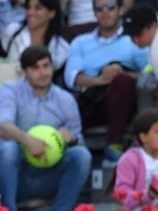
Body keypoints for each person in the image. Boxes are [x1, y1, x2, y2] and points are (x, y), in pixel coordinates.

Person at [0, 45, 91, 211]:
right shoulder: (10, 91)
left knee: (82, 156)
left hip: (50, 174)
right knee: (7, 149)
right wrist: (27, 140)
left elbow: (79, 141)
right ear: (24, 72)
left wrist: (72, 139)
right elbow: (2, 127)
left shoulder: (66, 100)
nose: (43, 72)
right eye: (36, 68)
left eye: (46, 66)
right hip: (20, 174)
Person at [64, 0, 149, 164]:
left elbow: (149, 73)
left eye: (110, 7)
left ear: (120, 10)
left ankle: (114, 145)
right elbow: (72, 78)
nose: (105, 12)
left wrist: (122, 74)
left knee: (122, 81)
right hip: (92, 99)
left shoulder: (133, 39)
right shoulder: (81, 42)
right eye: (99, 8)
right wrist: (100, 79)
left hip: (124, 102)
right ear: (94, 12)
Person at [0, 0, 70, 71]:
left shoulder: (61, 48)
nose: (30, 12)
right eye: (28, 8)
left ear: (51, 13)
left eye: (38, 8)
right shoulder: (12, 32)